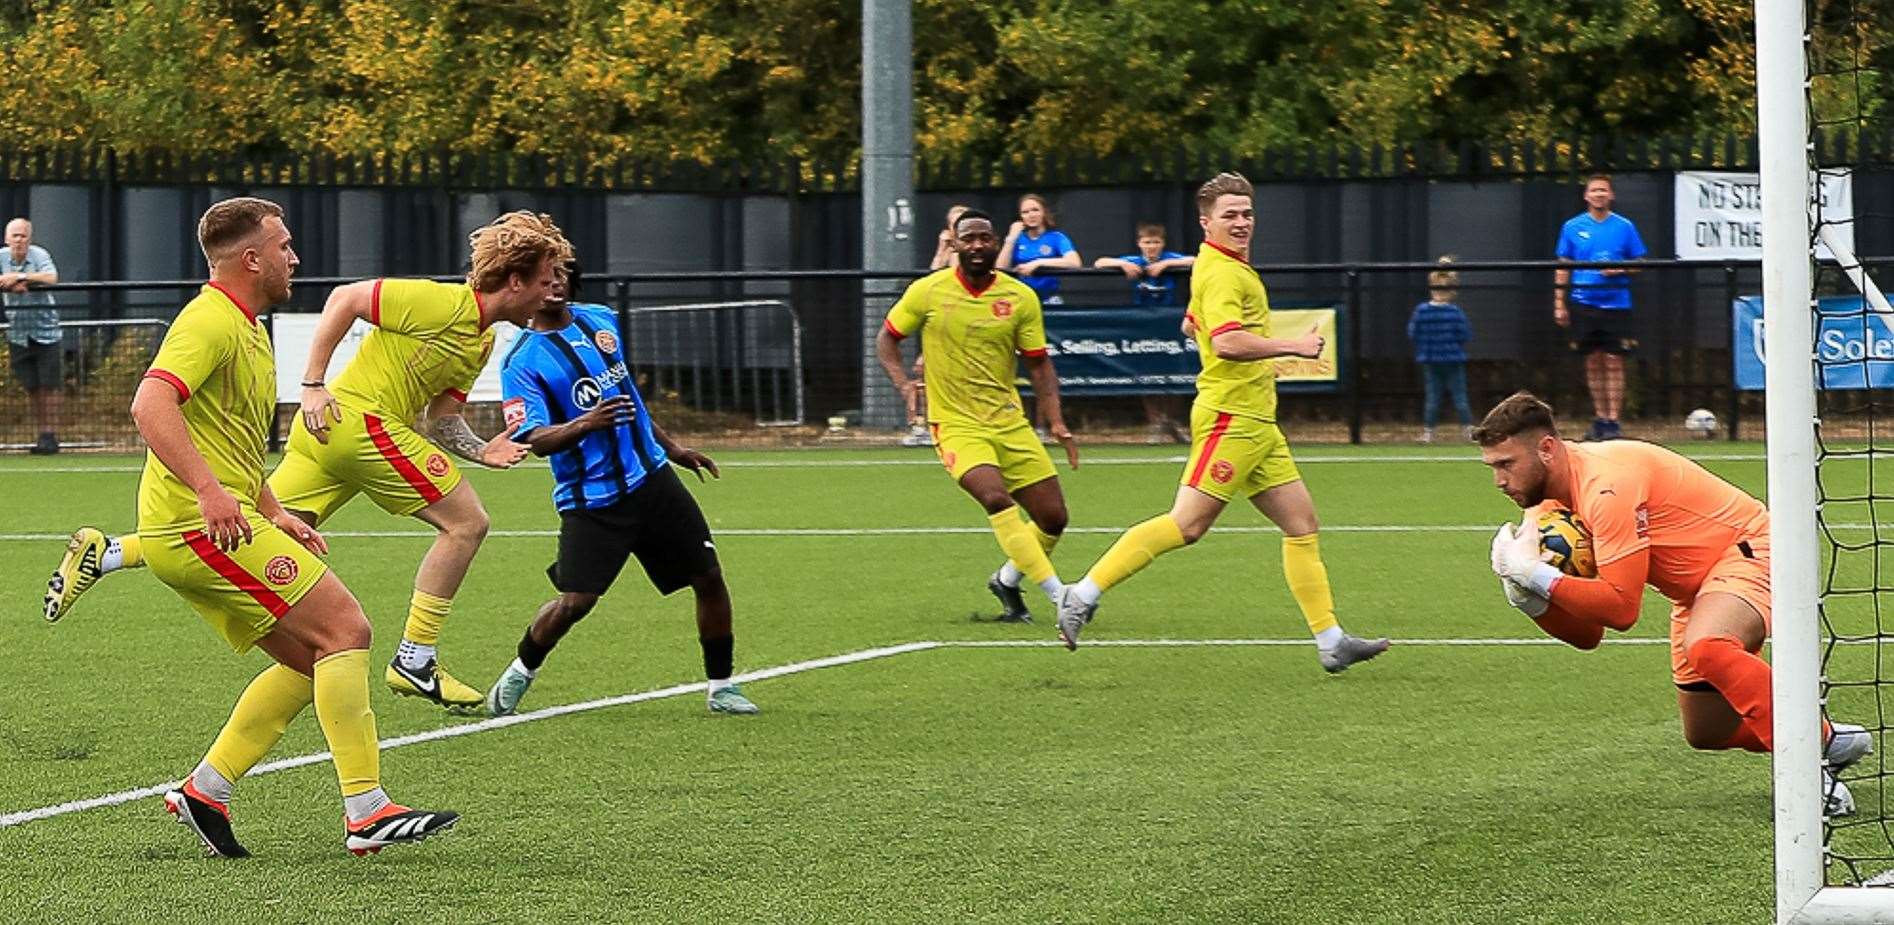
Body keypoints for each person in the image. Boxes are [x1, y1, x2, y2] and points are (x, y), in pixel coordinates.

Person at [45, 212, 568, 716]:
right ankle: (416, 657)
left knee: (258, 526)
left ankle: (109, 552)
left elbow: (442, 418)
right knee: (468, 522)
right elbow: (346, 299)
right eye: (547, 281)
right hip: (359, 423)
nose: (555, 293)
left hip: (335, 437)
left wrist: (482, 449)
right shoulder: (443, 302)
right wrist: (313, 385)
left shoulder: (480, 340)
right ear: (516, 280)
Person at [129, 197, 456, 857]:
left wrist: (273, 509)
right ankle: (366, 810)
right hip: (194, 526)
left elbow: (231, 440)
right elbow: (150, 402)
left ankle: (205, 789)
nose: (294, 257)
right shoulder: (210, 322)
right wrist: (210, 491)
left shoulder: (246, 326)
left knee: (317, 658)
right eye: (284, 245)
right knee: (347, 629)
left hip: (217, 519)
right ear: (251, 259)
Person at [1054, 172, 1390, 673]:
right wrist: (1293, 346)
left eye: (1247, 214)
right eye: (1229, 215)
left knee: (1301, 526)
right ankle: (1081, 594)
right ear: (1205, 221)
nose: (1241, 223)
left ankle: (1331, 639)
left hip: (1258, 420)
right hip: (1232, 418)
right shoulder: (1224, 272)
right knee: (1186, 525)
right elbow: (1230, 343)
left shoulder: (1218, 266)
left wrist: (1200, 326)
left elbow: (1193, 322)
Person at [1478, 391, 1872, 814]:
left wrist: (1539, 577)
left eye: (1507, 464)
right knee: (1708, 730)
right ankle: (1826, 737)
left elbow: (1620, 610)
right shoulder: (1546, 512)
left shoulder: (1607, 486)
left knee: (1708, 645)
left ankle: (1808, 773)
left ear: (1547, 449)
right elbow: (1589, 634)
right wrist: (1529, 599)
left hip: (1751, 549)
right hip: (1695, 591)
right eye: (1493, 467)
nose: (1500, 480)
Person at [485, 263, 758, 716]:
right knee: (576, 602)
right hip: (593, 500)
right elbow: (533, 440)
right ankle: (521, 670)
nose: (552, 285)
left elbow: (630, 395)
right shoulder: (521, 361)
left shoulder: (601, 320)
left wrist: (672, 448)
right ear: (526, 287)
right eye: (542, 278)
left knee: (709, 577)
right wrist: (585, 423)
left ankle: (722, 686)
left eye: (558, 276)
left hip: (652, 480)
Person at [876, 207, 1080, 624]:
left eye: (984, 238)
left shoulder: (1019, 297)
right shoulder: (927, 291)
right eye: (967, 238)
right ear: (953, 242)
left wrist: (1056, 421)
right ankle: (1060, 596)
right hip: (955, 425)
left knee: (1054, 518)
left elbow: (1039, 364)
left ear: (994, 242)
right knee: (995, 497)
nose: (976, 246)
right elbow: (887, 338)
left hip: (1008, 421)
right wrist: (902, 384)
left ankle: (1007, 579)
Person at [1554, 174, 1647, 441]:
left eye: (1603, 190)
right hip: (1584, 303)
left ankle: (1614, 420)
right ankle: (1600, 418)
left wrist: (1618, 269)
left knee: (1614, 360)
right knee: (1593, 361)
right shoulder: (1572, 227)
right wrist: (1559, 302)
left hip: (1616, 304)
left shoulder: (1624, 227)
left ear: (1611, 195)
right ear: (1586, 196)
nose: (1599, 195)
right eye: (1594, 191)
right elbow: (1563, 266)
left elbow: (1640, 262)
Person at [1095, 222, 1195, 443]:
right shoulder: (1135, 260)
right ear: (1140, 243)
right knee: (1146, 372)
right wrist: (1122, 265)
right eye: (1147, 242)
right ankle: (1156, 422)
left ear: (1163, 244)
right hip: (1142, 323)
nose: (1152, 247)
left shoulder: (1169, 257)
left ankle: (1173, 420)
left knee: (1175, 370)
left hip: (1168, 321)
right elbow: (1099, 262)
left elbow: (1196, 259)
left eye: (1156, 242)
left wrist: (1167, 264)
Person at [3, 218, 63, 454]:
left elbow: (51, 277)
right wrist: (5, 283)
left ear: (30, 238)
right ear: (7, 239)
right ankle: (42, 432)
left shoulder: (39, 255)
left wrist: (21, 278)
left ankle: (49, 435)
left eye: (23, 235)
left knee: (49, 385)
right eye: (15, 236)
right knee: (32, 386)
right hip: (18, 333)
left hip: (46, 331)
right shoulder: (1, 257)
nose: (19, 240)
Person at [1406, 258, 1472, 443]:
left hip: (1430, 359)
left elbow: (1412, 332)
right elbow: (1465, 334)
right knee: (1460, 397)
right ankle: (1467, 431)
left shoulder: (1421, 311)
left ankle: (1429, 433)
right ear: (1452, 290)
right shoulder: (1455, 312)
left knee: (1432, 398)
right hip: (1453, 360)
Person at [996, 193, 1080, 305]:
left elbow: (1075, 262)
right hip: (1021, 300)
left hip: (1049, 300)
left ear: (1044, 212)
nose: (1031, 215)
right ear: (1021, 217)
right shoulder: (1017, 239)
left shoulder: (1056, 237)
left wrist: (1038, 263)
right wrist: (1011, 238)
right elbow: (1000, 268)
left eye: (1035, 210)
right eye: (1025, 212)